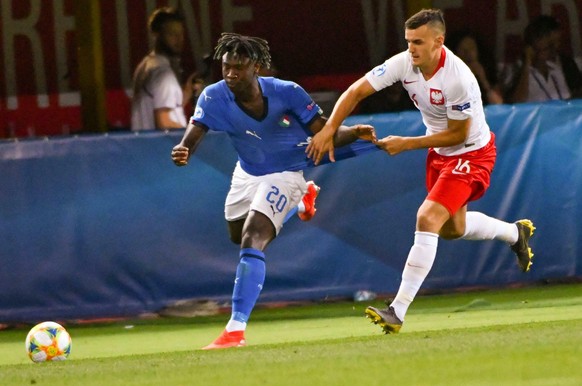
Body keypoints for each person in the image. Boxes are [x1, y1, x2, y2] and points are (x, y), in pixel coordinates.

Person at [306, 9, 535, 334]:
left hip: (471, 153)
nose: (411, 49)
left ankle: (396, 311)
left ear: (438, 42)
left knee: (427, 218)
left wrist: (406, 143)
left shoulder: (458, 77)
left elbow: (458, 134)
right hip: (440, 154)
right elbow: (357, 91)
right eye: (408, 41)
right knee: (451, 229)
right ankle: (515, 234)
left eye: (418, 42)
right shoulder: (404, 63)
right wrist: (330, 128)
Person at [171, 33, 376, 348]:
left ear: (255, 67)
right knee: (237, 236)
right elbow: (196, 128)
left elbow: (322, 134)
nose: (229, 74)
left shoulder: (288, 93)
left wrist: (352, 133)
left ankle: (235, 330)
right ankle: (301, 201)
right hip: (247, 173)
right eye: (225, 67)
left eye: (237, 68)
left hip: (284, 174)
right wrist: (184, 148)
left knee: (253, 239)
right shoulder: (214, 96)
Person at [131, 7, 204, 131]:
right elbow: (164, 122)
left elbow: (162, 106)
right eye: (172, 33)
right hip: (161, 149)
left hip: (144, 147)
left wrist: (187, 93)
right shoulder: (163, 73)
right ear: (156, 34)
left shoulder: (146, 65)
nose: (179, 39)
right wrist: (195, 133)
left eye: (181, 33)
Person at [503, 15, 572, 103]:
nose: (552, 51)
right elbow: (517, 103)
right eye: (546, 47)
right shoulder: (514, 70)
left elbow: (567, 100)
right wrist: (527, 64)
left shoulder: (555, 69)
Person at [448, 30, 504, 105]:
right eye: (463, 49)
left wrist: (484, 81)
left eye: (471, 48)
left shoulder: (489, 74)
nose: (468, 53)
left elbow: (499, 104)